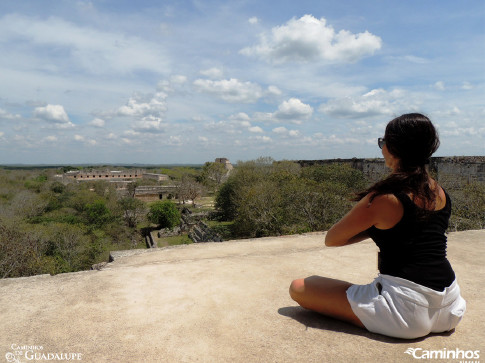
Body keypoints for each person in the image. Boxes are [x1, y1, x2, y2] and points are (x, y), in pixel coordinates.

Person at [289, 113, 466, 339]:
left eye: (383, 143)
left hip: (405, 311)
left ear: (393, 147)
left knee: (300, 286)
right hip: (451, 305)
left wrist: (373, 226)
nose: (382, 148)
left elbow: (332, 239)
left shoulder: (385, 198)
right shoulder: (439, 192)